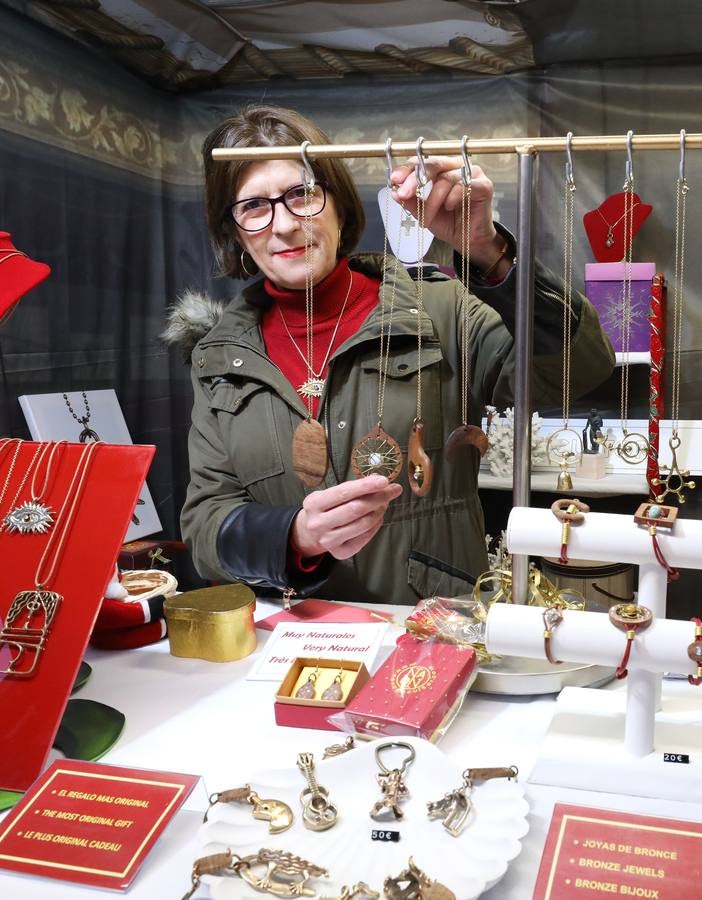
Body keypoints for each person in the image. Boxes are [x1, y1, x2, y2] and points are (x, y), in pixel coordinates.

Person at [168, 105, 615, 604]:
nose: (284, 225)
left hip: (432, 631)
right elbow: (206, 525)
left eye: (302, 195)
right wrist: (295, 536)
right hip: (294, 646)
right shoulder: (219, 358)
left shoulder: (440, 310)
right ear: (233, 230)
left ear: (339, 204)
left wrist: (486, 249)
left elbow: (581, 369)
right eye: (253, 206)